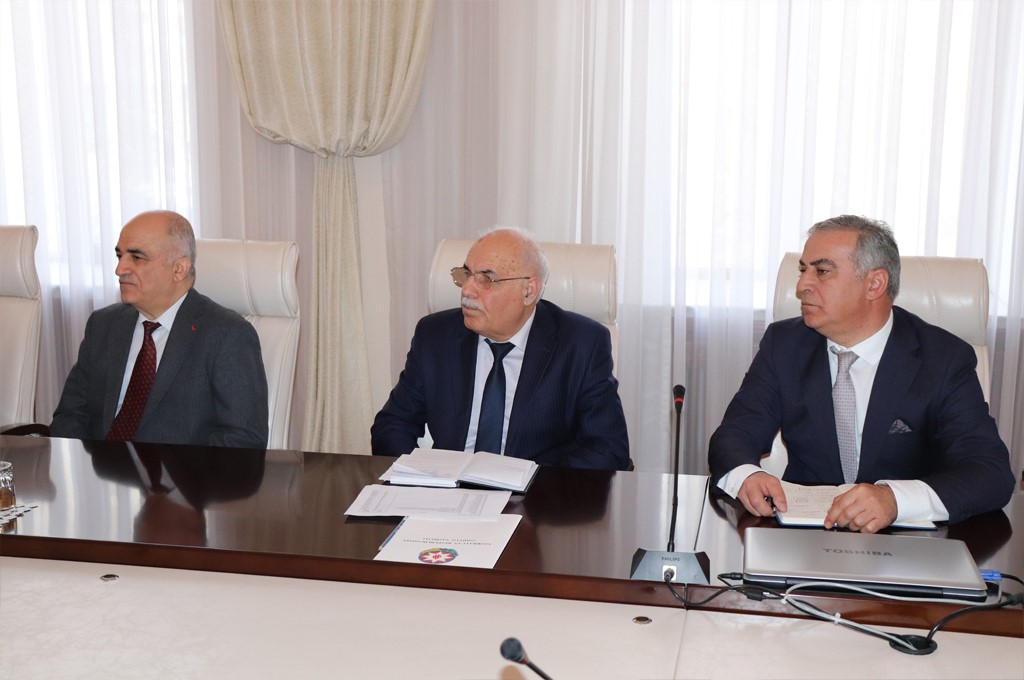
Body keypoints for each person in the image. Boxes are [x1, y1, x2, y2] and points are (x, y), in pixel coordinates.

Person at [708, 215, 1013, 532]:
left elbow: (990, 472)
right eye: (803, 270)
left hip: (906, 540)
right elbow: (735, 434)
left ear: (875, 284)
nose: (801, 287)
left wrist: (895, 500)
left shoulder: (943, 359)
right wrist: (747, 475)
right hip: (804, 535)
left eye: (822, 271)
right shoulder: (784, 346)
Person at [371, 228, 630, 470]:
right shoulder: (435, 336)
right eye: (466, 275)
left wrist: (535, 485)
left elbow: (607, 448)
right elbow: (392, 425)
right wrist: (423, 477)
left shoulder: (581, 344)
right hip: (448, 492)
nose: (467, 290)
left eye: (486, 278)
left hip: (537, 496)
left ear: (529, 291)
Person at [50, 210, 269, 449]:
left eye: (137, 257)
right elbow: (70, 416)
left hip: (180, 472)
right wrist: (84, 466)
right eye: (119, 255)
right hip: (99, 468)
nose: (120, 269)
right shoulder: (103, 325)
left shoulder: (227, 334)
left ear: (179, 269)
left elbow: (241, 439)